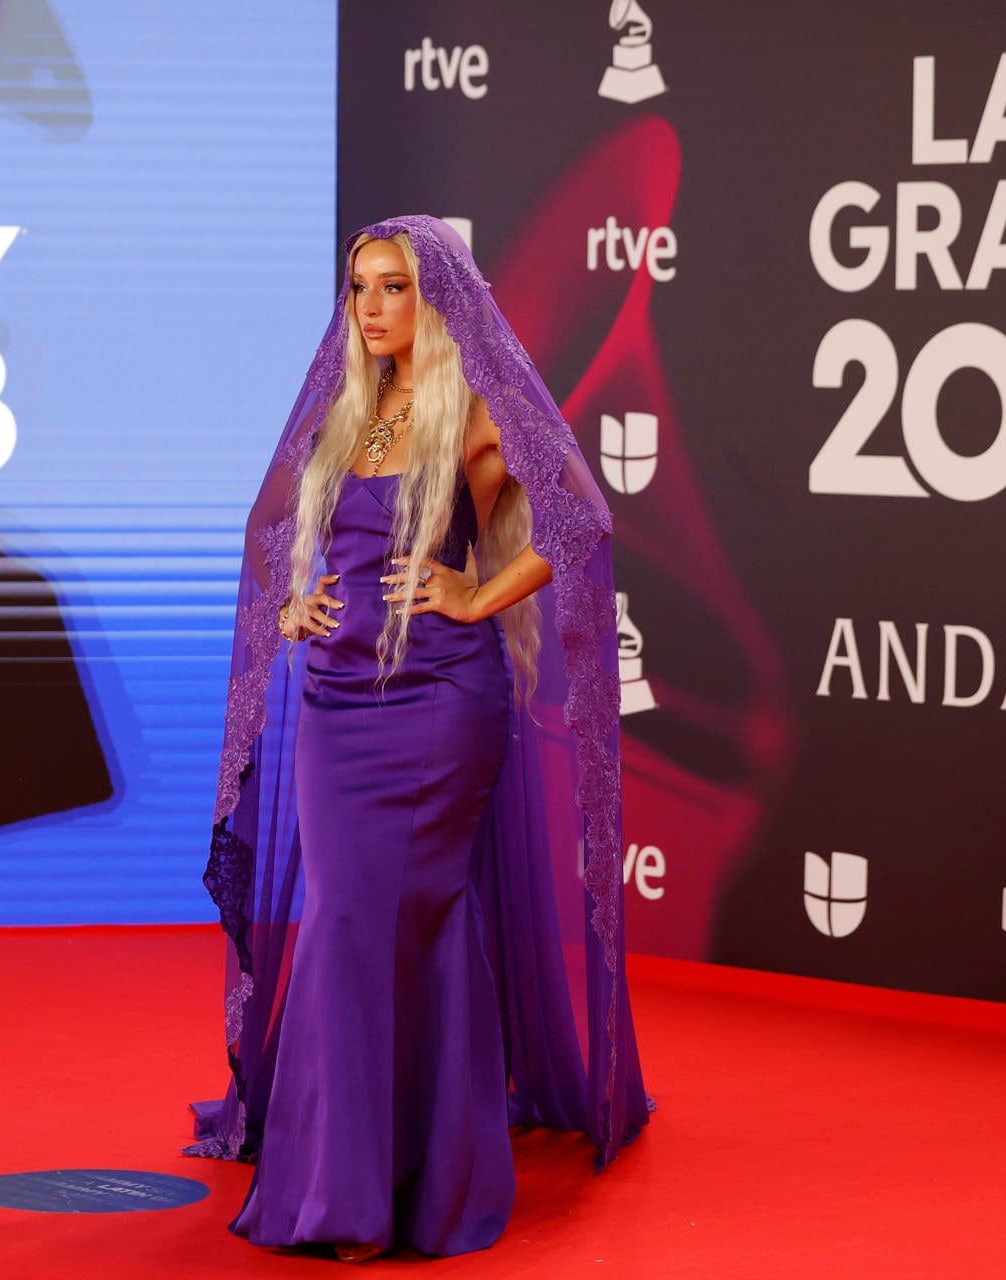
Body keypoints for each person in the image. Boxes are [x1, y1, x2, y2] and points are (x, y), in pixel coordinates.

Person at [186, 216, 650, 1260]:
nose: (371, 307)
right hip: (338, 708)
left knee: (406, 914)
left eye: (393, 286)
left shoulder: (479, 413)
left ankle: (410, 1184)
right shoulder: (346, 412)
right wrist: (300, 604)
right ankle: (338, 1177)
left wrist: (479, 593)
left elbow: (584, 520)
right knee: (346, 913)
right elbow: (286, 538)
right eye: (359, 288)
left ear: (438, 297)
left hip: (441, 704)